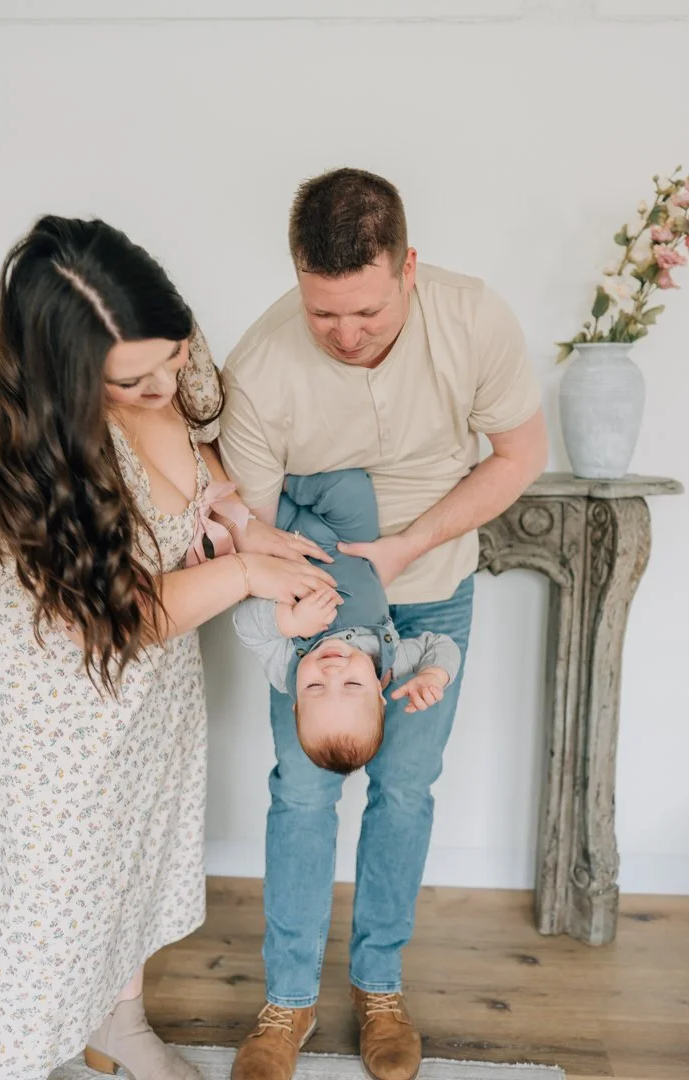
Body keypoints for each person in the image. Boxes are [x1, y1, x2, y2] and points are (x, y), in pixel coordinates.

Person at [0, 216, 335, 1080]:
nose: (169, 382)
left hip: (149, 697)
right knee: (47, 909)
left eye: (173, 357)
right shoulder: (21, 468)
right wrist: (245, 571)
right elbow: (115, 618)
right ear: (67, 377)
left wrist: (241, 519)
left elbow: (200, 456)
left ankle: (118, 1026)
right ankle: (12, 1057)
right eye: (135, 379)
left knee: (128, 871)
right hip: (55, 721)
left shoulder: (166, 356)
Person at [219, 168, 548, 1080]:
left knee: (405, 788)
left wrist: (405, 548)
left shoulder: (472, 318)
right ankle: (285, 1001)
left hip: (435, 582)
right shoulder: (260, 366)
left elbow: (521, 453)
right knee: (302, 790)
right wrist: (290, 602)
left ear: (409, 266)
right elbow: (244, 527)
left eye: (367, 312)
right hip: (315, 612)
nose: (346, 335)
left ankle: (380, 985)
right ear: (296, 277)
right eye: (324, 314)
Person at [233, 469, 461, 773]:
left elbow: (245, 624)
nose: (331, 671)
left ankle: (272, 481)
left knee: (247, 500)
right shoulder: (390, 661)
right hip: (344, 540)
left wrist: (289, 622)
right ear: (379, 694)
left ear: (297, 704)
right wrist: (434, 675)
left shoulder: (282, 667)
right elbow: (440, 644)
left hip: (280, 543)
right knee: (351, 488)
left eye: (314, 686)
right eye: (352, 683)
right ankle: (288, 480)